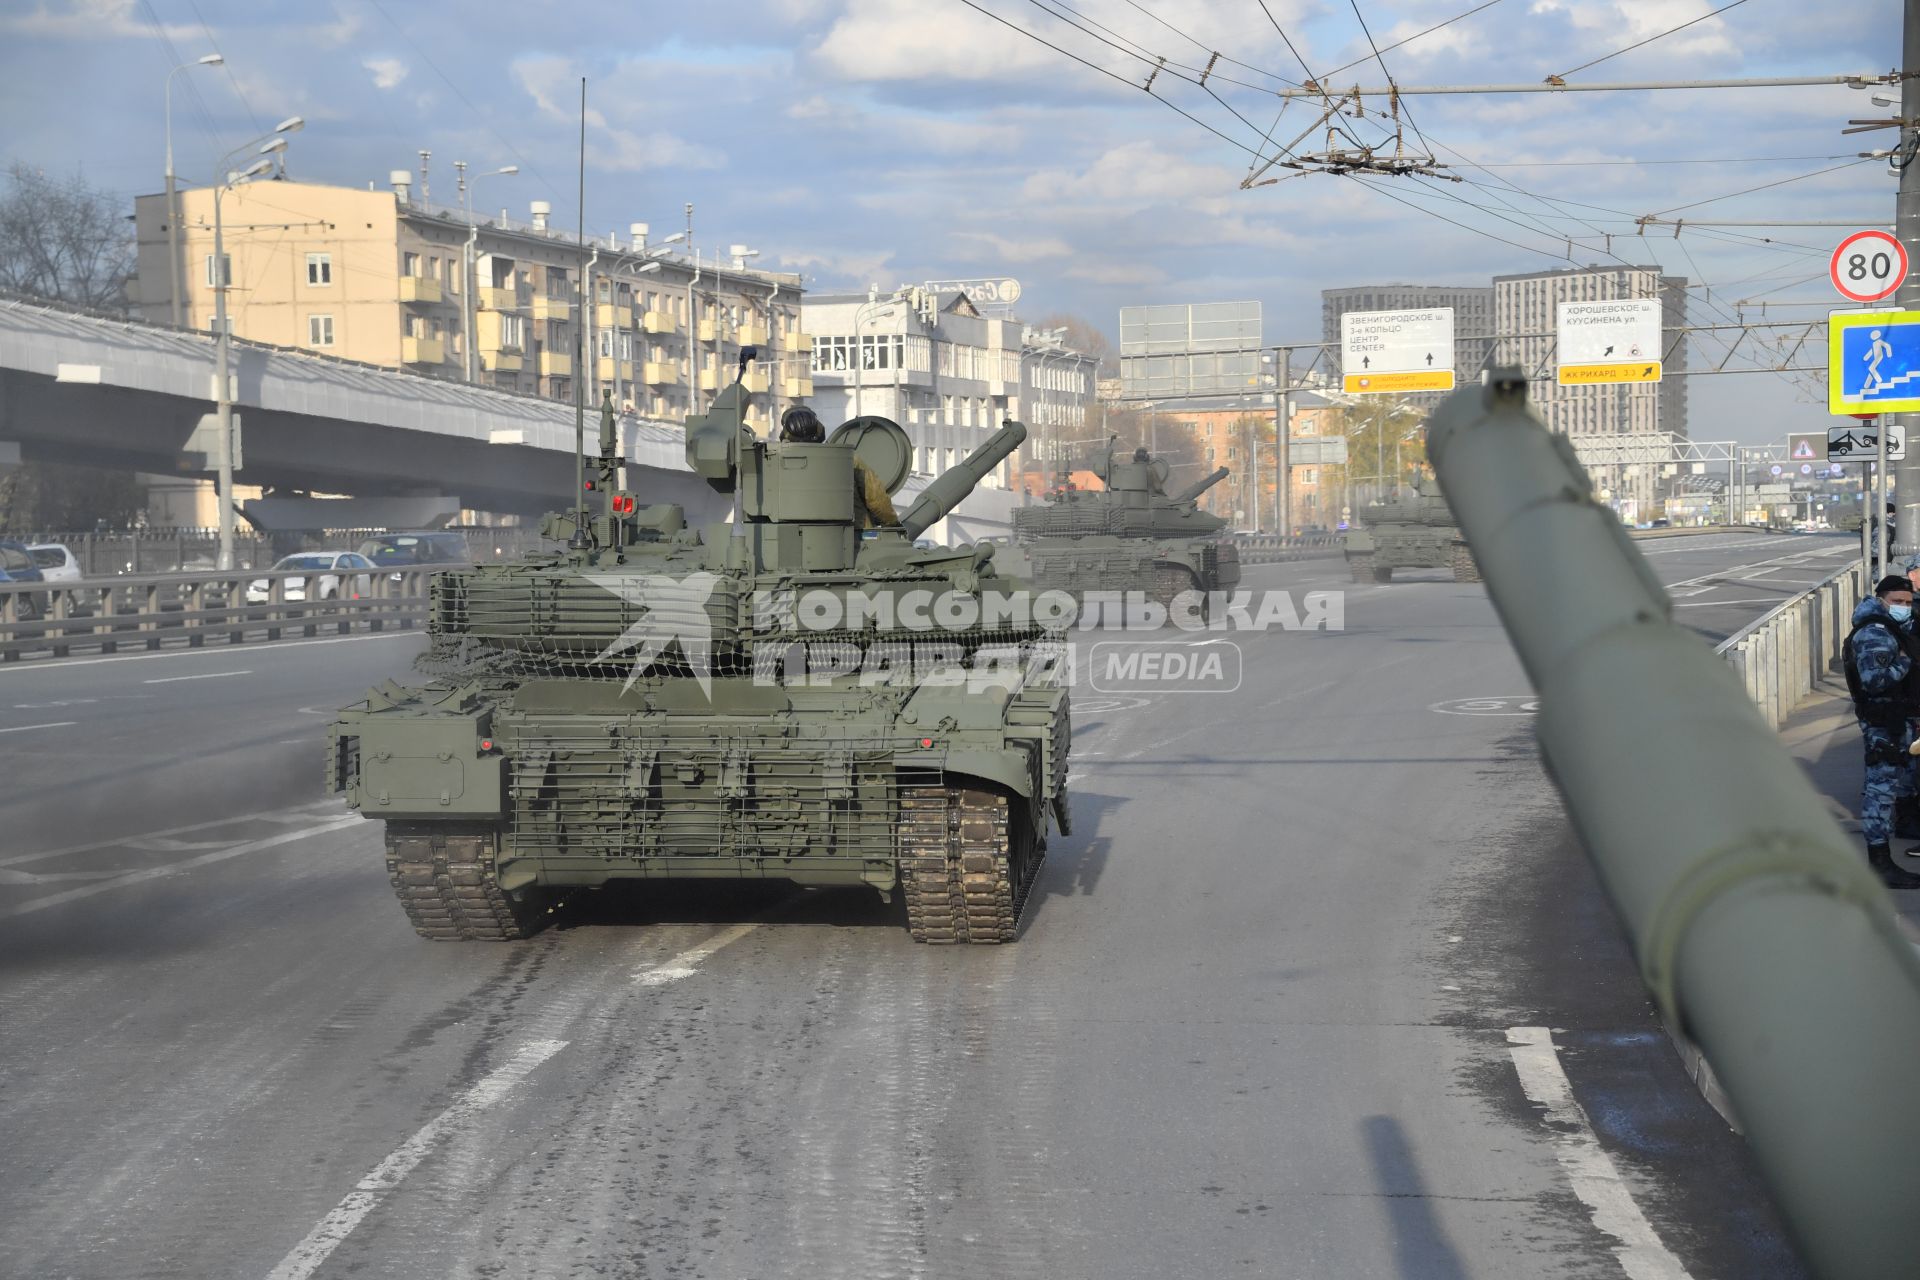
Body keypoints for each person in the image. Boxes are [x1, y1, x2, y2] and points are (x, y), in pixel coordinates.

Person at [1844, 573, 1920, 888]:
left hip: (1894, 720)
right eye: (1897, 602)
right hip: (1881, 723)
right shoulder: (1874, 633)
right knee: (1879, 791)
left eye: (1907, 602)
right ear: (1882, 600)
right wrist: (1905, 661)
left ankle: (1897, 835)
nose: (1903, 607)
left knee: (1895, 782)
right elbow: (1874, 681)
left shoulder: (1893, 628)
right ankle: (1880, 863)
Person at [778, 406, 899, 529]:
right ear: (818, 429)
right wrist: (892, 523)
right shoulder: (847, 458)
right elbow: (876, 499)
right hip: (853, 537)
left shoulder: (771, 460)